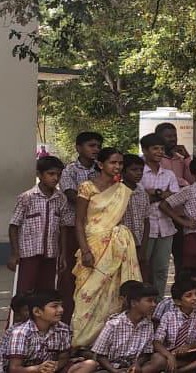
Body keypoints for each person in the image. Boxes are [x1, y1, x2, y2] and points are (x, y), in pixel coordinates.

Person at [72, 147, 142, 347]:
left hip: (116, 247)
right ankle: (81, 343)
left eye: (120, 163)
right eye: (113, 162)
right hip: (93, 244)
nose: (117, 166)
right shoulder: (87, 187)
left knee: (113, 294)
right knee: (87, 294)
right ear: (101, 165)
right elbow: (79, 221)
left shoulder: (122, 188)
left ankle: (106, 344)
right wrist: (85, 251)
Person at [58, 131, 103, 323]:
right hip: (71, 227)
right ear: (78, 148)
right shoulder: (69, 170)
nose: (96, 149)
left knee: (93, 270)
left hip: (95, 229)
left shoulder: (100, 170)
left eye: (98, 146)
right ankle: (67, 316)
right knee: (70, 272)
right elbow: (70, 195)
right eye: (91, 145)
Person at [8, 156, 67, 295]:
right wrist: (15, 253)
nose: (55, 178)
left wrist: (63, 254)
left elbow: (63, 227)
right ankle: (22, 317)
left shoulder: (60, 199)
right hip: (29, 254)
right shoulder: (27, 197)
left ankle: (41, 316)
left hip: (51, 254)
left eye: (58, 174)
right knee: (25, 291)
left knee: (46, 292)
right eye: (51, 174)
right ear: (39, 175)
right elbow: (14, 226)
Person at [4, 290, 97, 373]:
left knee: (90, 364)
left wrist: (56, 366)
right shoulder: (20, 333)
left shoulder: (63, 329)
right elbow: (14, 369)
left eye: (61, 305)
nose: (61, 310)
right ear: (37, 312)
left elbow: (64, 357)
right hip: (31, 371)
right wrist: (38, 369)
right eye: (54, 306)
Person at [139, 133, 180, 298]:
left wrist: (153, 194)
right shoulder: (138, 172)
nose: (159, 151)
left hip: (166, 228)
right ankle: (142, 303)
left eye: (161, 148)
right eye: (155, 148)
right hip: (145, 229)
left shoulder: (168, 174)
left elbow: (175, 199)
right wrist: (161, 194)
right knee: (143, 267)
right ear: (145, 150)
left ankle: (158, 303)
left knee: (162, 269)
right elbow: (140, 198)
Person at [91, 283, 159, 373]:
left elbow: (146, 353)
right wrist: (113, 370)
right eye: (149, 301)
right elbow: (99, 355)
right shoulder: (113, 324)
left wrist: (137, 364)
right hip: (110, 368)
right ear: (134, 303)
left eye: (155, 301)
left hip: (132, 368)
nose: (154, 305)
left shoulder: (148, 325)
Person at [156, 122, 192, 282]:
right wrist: (181, 183)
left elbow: (191, 181)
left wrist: (187, 158)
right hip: (160, 215)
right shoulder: (156, 159)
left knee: (182, 258)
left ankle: (181, 292)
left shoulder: (180, 159)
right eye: (168, 136)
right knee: (159, 263)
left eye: (174, 136)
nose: (172, 139)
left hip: (180, 214)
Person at [121, 154, 150, 279]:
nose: (138, 173)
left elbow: (146, 221)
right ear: (123, 171)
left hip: (138, 243)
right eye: (134, 170)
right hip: (122, 245)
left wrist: (143, 247)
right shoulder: (117, 192)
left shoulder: (142, 194)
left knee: (141, 276)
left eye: (140, 170)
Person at [0, 294, 31, 373]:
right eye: (26, 310)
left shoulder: (58, 329)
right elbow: (2, 359)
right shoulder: (12, 332)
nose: (31, 312)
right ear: (18, 313)